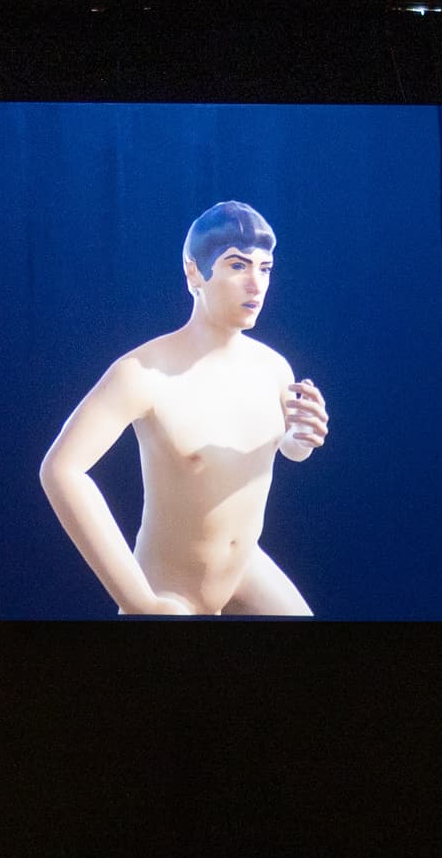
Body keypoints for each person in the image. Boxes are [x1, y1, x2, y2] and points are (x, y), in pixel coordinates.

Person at [38, 200, 332, 616]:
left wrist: (300, 439)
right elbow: (61, 469)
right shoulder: (143, 373)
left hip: (244, 570)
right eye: (237, 266)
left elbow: (278, 450)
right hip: (172, 588)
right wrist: (139, 600)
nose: (256, 284)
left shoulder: (274, 368)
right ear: (195, 271)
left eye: (264, 268)